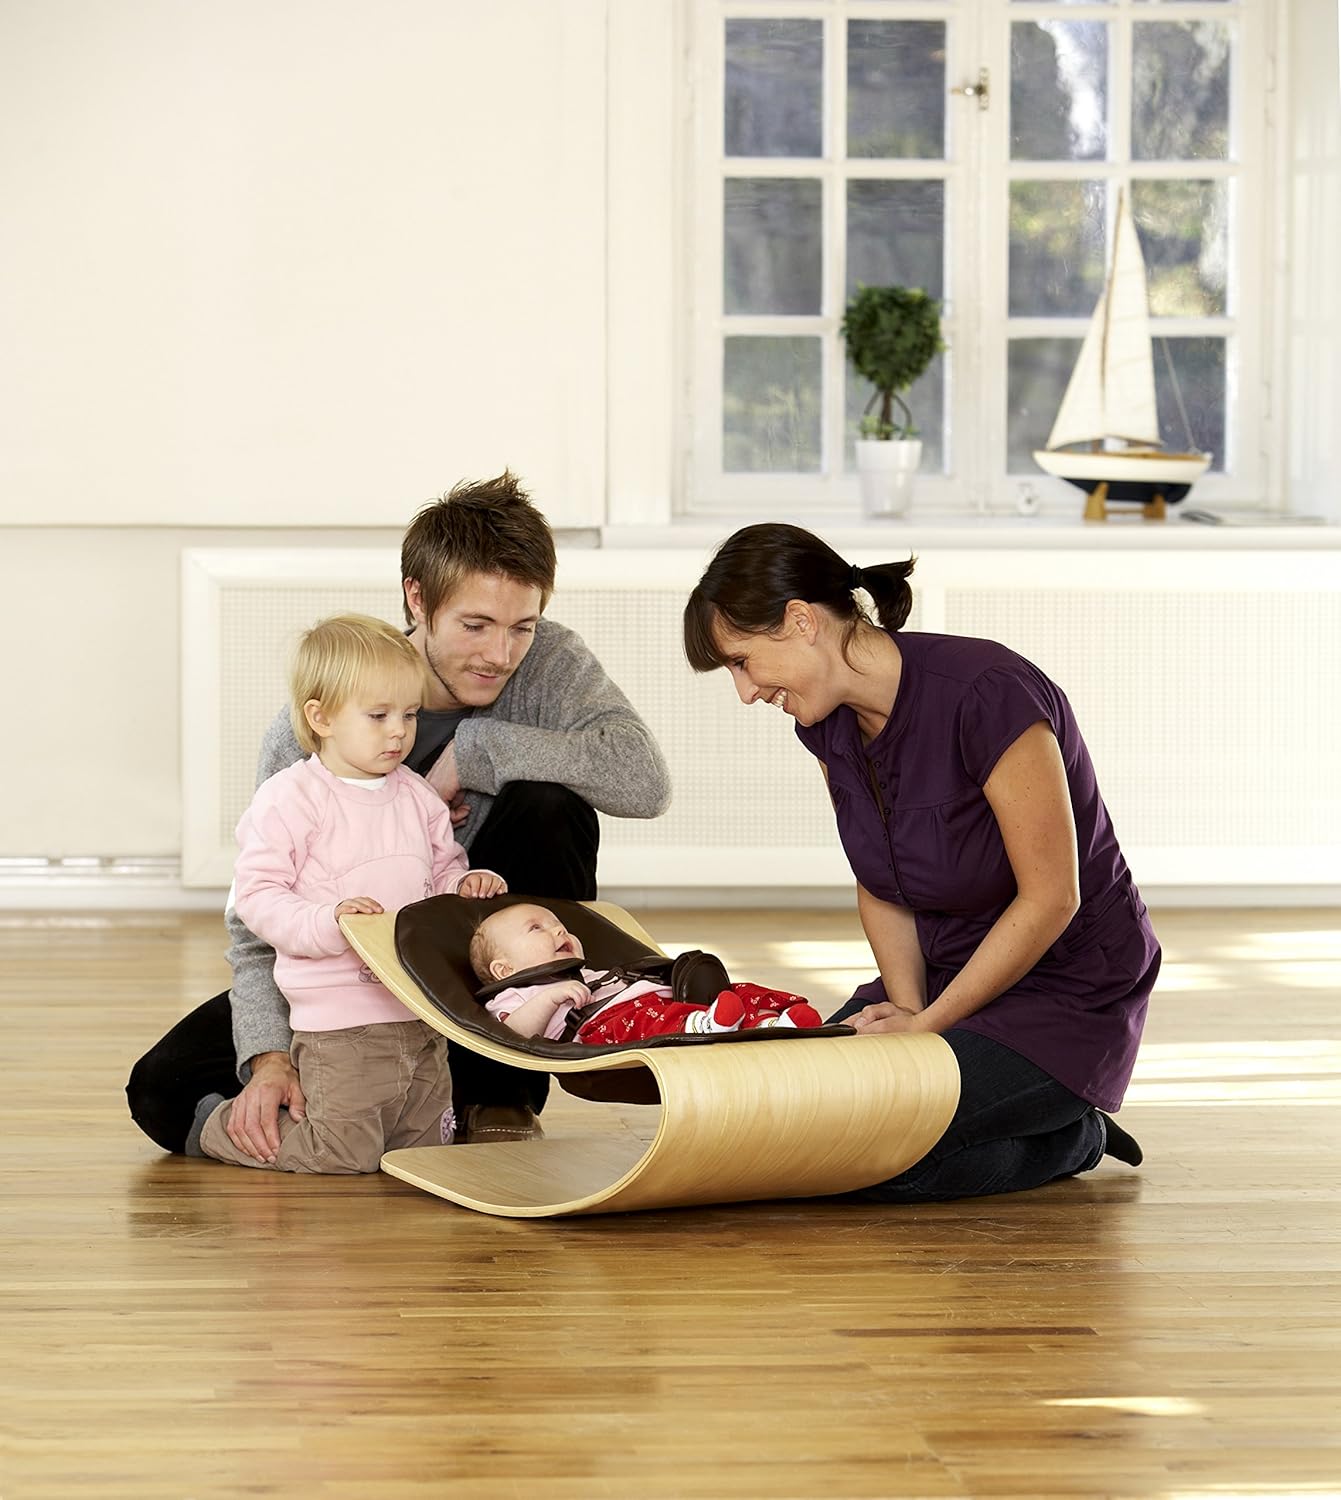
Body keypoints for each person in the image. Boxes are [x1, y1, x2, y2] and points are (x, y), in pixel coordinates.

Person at [128, 471, 672, 1162]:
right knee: (162, 1088)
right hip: (348, 981)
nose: (501, 654)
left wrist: (475, 751)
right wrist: (269, 1057)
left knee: (550, 805)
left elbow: (644, 782)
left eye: (522, 627)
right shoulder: (318, 724)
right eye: (475, 625)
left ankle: (496, 1092)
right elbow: (257, 914)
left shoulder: (549, 662)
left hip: (481, 965)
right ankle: (353, 1108)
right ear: (417, 599)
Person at [683, 523, 1159, 1202]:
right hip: (943, 976)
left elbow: (1052, 897)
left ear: (800, 622)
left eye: (742, 661)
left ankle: (1071, 1135)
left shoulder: (987, 692)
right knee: (791, 1116)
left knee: (874, 1156)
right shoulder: (825, 724)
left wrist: (924, 1029)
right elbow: (878, 879)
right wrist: (906, 1006)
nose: (746, 691)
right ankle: (1014, 1115)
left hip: (1064, 993)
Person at [192, 614, 508, 1172]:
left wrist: (464, 885)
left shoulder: (417, 797)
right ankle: (218, 1129)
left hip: (419, 1010)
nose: (399, 732)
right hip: (340, 1020)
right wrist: (327, 920)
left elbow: (440, 874)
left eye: (410, 714)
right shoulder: (291, 798)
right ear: (322, 718)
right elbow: (258, 896)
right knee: (343, 1151)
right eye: (379, 716)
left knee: (425, 1148)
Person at [469, 903, 822, 1042]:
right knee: (641, 1020)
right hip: (604, 1027)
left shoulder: (587, 971)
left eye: (558, 924)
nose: (559, 931)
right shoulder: (513, 995)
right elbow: (513, 1033)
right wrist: (548, 999)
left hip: (661, 1001)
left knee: (734, 992)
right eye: (537, 928)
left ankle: (774, 1019)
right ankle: (700, 1025)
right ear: (504, 968)